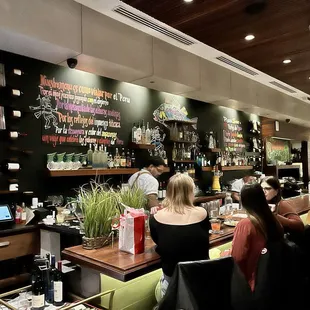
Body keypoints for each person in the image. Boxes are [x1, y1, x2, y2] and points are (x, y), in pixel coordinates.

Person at [149, 174, 210, 299]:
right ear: (190, 192)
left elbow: (158, 241)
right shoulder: (202, 213)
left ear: (169, 192)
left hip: (172, 285)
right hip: (202, 283)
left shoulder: (155, 218)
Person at [230, 183, 284, 291]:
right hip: (274, 279)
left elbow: (237, 258)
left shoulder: (246, 224)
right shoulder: (274, 220)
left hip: (251, 283)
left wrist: (224, 253)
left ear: (243, 201)